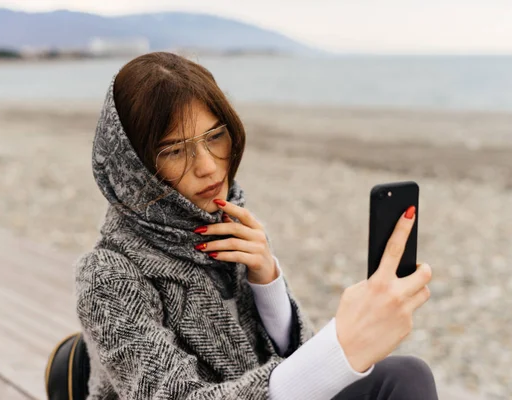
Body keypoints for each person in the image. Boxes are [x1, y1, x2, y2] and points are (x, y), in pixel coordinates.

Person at [75, 52, 438, 400]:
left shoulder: (229, 228)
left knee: (406, 374)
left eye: (215, 136)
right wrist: (343, 345)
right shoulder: (107, 276)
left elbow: (297, 363)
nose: (207, 166)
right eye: (174, 151)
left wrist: (268, 284)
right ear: (132, 169)